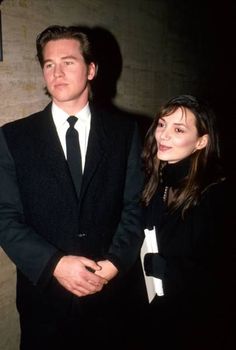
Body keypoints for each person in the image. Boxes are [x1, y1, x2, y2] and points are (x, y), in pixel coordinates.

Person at [0, 25, 147, 350]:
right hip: (44, 303)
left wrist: (113, 265)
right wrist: (54, 264)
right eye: (49, 64)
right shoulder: (12, 137)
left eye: (68, 61)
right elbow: (4, 216)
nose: (57, 72)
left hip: (112, 298)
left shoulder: (125, 132)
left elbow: (135, 205)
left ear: (91, 69)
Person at [141, 95, 235, 349]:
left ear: (201, 141)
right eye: (162, 124)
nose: (164, 135)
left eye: (178, 129)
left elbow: (223, 277)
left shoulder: (217, 194)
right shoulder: (158, 181)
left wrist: (169, 269)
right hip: (157, 319)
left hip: (195, 328)